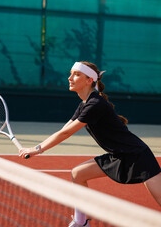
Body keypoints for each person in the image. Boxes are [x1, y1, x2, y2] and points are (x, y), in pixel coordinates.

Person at [19, 61, 161, 227]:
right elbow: (64, 129)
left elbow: (66, 133)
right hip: (118, 155)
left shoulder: (95, 104)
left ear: (89, 80)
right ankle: (81, 222)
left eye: (76, 74)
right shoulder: (85, 104)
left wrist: (37, 149)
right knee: (78, 174)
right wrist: (37, 147)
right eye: (71, 73)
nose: (70, 78)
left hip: (137, 156)